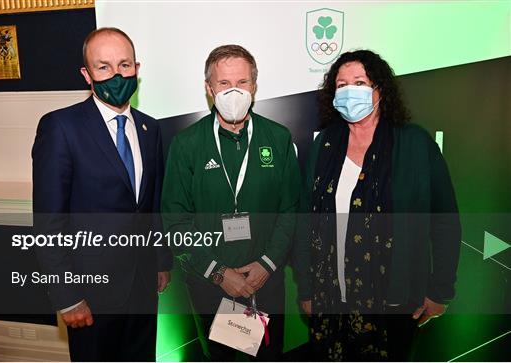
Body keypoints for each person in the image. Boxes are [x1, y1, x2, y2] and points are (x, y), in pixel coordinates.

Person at [292, 50, 461, 361]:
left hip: (393, 303)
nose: (348, 91)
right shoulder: (324, 145)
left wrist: (440, 291)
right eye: (341, 85)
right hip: (330, 298)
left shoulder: (415, 144)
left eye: (359, 82)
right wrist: (306, 287)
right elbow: (305, 222)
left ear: (380, 90)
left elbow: (445, 222)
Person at [32, 27, 172, 361]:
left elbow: (150, 207)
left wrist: (160, 262)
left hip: (142, 289)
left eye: (124, 65)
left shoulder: (149, 128)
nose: (116, 74)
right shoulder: (61, 128)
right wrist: (66, 295)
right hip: (90, 295)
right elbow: (49, 221)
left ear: (137, 69)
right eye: (104, 66)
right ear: (87, 74)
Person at [161, 44, 301, 361]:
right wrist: (219, 273)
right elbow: (175, 221)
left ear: (254, 86)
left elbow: (291, 210)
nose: (233, 91)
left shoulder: (277, 138)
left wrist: (268, 263)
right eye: (224, 84)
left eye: (242, 83)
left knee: (268, 355)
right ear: (210, 89)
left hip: (266, 281)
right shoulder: (186, 145)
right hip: (211, 285)